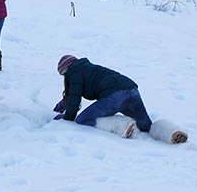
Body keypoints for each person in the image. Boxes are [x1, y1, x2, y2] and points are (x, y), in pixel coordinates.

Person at [53, 55, 188, 144]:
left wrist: (68, 118)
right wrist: (64, 101)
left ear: (66, 69)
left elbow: (75, 98)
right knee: (146, 125)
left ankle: (124, 125)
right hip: (131, 89)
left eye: (63, 74)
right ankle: (172, 132)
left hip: (114, 95)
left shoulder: (75, 72)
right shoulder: (88, 67)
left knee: (83, 119)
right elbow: (73, 95)